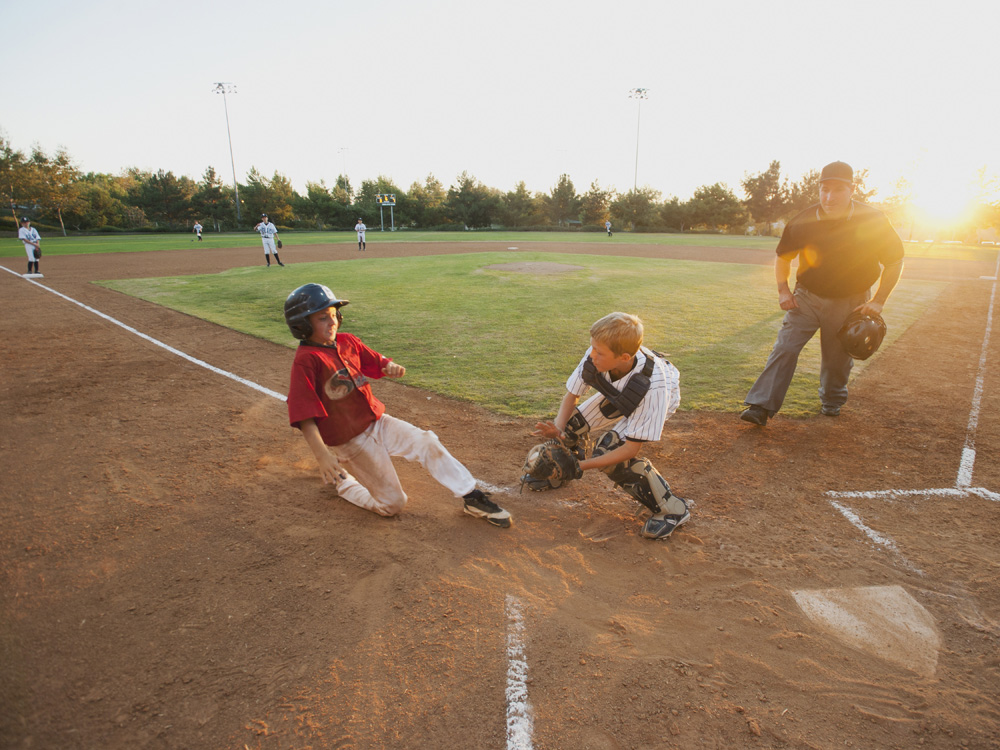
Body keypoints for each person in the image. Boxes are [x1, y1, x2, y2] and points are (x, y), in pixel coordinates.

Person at [284, 283, 511, 528]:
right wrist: (323, 457)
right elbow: (304, 414)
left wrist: (388, 366)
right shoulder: (306, 361)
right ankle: (344, 482)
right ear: (303, 325)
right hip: (350, 441)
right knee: (393, 505)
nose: (332, 322)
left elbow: (375, 361)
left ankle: (471, 497)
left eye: (333, 315)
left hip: (378, 423)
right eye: (322, 318)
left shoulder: (347, 341)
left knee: (426, 441)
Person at [740, 161, 904, 426]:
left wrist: (879, 300)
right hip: (807, 297)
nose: (829, 197)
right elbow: (783, 257)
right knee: (785, 347)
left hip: (851, 300)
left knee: (837, 358)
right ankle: (761, 406)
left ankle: (832, 401)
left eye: (837, 190)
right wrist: (783, 290)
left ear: (852, 189)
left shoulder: (872, 219)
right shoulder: (803, 220)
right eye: (824, 189)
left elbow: (895, 260)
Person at [523, 312, 691, 540]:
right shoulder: (599, 351)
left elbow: (631, 449)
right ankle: (560, 472)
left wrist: (581, 465)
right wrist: (558, 432)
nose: (592, 355)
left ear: (623, 357)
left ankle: (672, 509)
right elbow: (572, 396)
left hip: (657, 396)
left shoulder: (655, 387)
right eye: (592, 348)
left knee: (611, 452)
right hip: (623, 390)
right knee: (574, 425)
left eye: (599, 352)